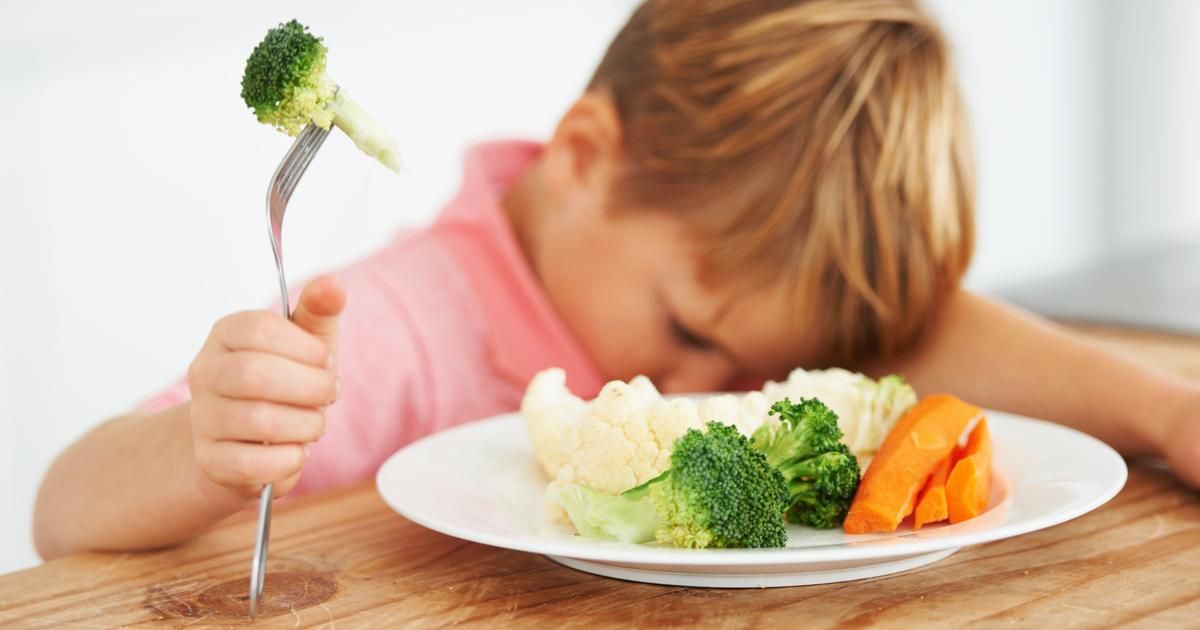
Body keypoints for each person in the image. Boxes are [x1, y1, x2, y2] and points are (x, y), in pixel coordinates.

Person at [33, 0, 1200, 558]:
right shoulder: (397, 332)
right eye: (691, 330)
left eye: (744, 363)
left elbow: (920, 341)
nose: (710, 383)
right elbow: (64, 510)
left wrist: (1164, 410)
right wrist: (205, 449)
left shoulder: (716, 306)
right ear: (586, 155)